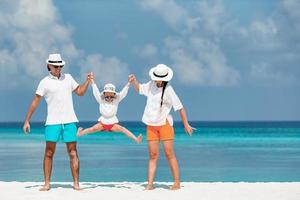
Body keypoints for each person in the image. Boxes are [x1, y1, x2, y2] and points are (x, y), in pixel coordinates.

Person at [23, 53, 92, 191]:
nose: (58, 68)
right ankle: (47, 184)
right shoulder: (44, 82)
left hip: (69, 120)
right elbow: (35, 101)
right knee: (49, 152)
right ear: (49, 65)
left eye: (60, 66)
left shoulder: (69, 78)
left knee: (73, 152)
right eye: (56, 66)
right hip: (52, 121)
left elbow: (80, 92)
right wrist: (27, 120)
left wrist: (88, 81)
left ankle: (76, 184)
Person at [129, 64, 195, 190]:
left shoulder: (169, 90)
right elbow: (139, 89)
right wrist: (134, 81)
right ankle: (149, 184)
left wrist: (186, 124)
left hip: (164, 125)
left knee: (169, 154)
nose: (155, 79)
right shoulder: (150, 85)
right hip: (151, 125)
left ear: (164, 78)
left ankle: (176, 182)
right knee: (153, 156)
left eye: (158, 78)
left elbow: (180, 108)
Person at [77, 74, 142, 144]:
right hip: (102, 122)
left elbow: (123, 93)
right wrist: (92, 81)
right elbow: (95, 91)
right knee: (92, 129)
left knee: (123, 129)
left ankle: (136, 139)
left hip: (112, 123)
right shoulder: (101, 100)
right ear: (104, 94)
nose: (109, 98)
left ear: (114, 95)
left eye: (111, 96)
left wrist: (129, 83)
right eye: (107, 96)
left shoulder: (116, 100)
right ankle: (80, 133)